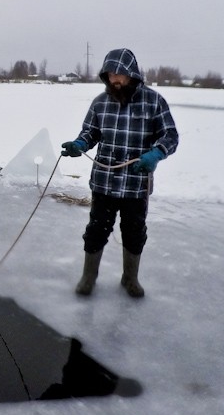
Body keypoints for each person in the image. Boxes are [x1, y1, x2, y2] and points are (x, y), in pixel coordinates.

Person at [60, 48, 178, 298]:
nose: (115, 79)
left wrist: (156, 154)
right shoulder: (100, 103)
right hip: (104, 182)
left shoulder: (153, 101)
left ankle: (130, 278)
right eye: (110, 74)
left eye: (119, 74)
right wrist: (80, 144)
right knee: (96, 230)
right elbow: (90, 132)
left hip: (137, 184)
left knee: (134, 232)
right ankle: (88, 277)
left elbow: (170, 135)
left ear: (131, 74)